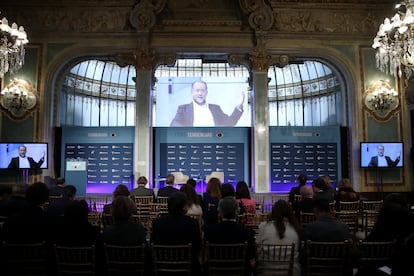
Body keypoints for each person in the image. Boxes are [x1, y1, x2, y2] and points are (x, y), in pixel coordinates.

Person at [151, 192, 202, 274]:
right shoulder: (192, 223)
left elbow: (153, 243)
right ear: (184, 207)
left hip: (162, 265)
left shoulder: (157, 223)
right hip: (187, 266)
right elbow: (197, 246)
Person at [203, 196, 256, 276]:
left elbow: (205, 256)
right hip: (240, 272)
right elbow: (251, 257)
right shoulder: (248, 232)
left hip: (215, 271)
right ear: (237, 212)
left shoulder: (209, 231)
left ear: (220, 212)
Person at [170, 80, 245, 127]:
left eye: (202, 90)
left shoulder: (216, 108)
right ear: (192, 93)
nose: (200, 93)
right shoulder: (183, 109)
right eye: (197, 90)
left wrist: (238, 106)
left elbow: (230, 123)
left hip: (213, 143)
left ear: (206, 93)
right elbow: (174, 124)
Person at [257, 200, 302, 276]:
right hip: (291, 271)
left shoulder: (264, 226)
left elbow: (258, 247)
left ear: (273, 212)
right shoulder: (295, 228)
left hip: (266, 270)